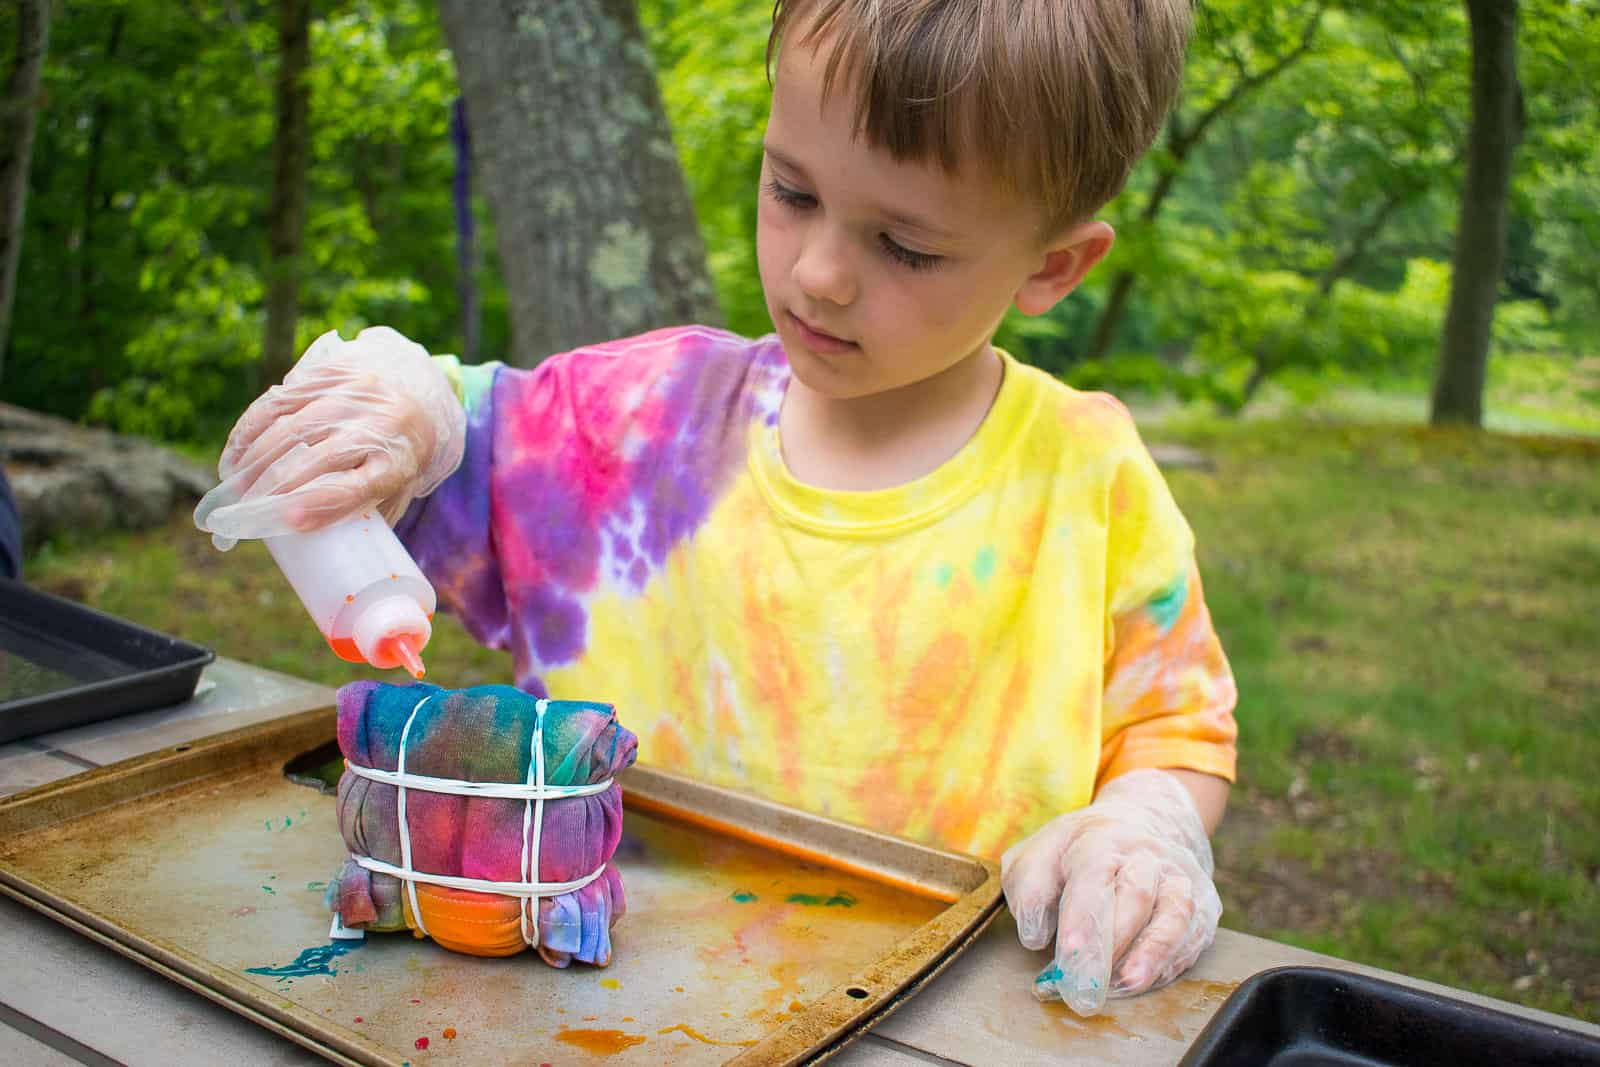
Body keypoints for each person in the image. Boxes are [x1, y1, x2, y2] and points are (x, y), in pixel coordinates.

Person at [198, 0, 1237, 1018]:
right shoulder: (631, 422)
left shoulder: (1084, 477)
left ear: (1051, 265)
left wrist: (1145, 824)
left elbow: (1173, 729)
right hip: (587, 1013)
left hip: (948, 1026)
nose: (819, 274)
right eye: (790, 190)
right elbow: (436, 453)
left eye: (906, 247)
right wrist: (396, 406)